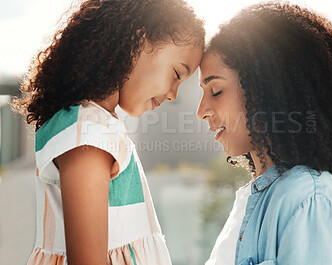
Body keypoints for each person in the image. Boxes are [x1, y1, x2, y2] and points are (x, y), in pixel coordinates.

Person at [11, 0, 204, 264]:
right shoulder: (88, 134)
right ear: (137, 38)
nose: (173, 94)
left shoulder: (96, 127)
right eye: (176, 74)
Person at [197, 2, 332, 265]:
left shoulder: (307, 198)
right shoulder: (256, 201)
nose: (201, 110)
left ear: (265, 89)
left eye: (216, 91)